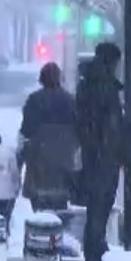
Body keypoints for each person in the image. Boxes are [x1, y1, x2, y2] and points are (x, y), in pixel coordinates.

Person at [75, 42, 124, 261]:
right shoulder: (105, 88)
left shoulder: (87, 84)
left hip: (93, 154)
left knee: (97, 203)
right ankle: (95, 246)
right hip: (104, 156)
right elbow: (111, 127)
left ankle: (93, 245)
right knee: (101, 202)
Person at [18, 62, 77, 213]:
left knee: (39, 207)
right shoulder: (70, 100)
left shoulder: (34, 100)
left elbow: (26, 130)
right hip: (63, 159)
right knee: (60, 205)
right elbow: (79, 128)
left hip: (39, 159)